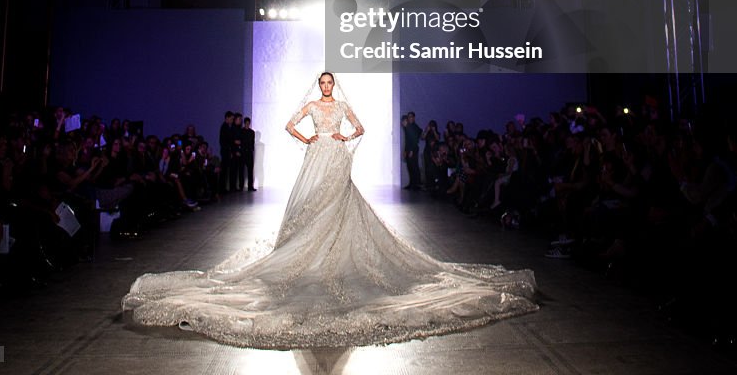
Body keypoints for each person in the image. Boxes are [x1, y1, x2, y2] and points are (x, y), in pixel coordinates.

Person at [122, 72, 537, 348]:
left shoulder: (338, 106)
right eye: (321, 81)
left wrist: (340, 135)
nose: (324, 86)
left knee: (337, 201)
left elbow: (361, 128)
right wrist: (312, 139)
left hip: (334, 152)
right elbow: (289, 124)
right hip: (319, 151)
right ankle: (309, 252)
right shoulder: (313, 108)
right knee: (311, 203)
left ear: (333, 86)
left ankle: (335, 252)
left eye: (328, 82)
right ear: (317, 84)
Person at [403, 111, 422, 189]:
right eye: (408, 117)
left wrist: (411, 151)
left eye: (411, 117)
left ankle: (416, 184)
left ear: (413, 118)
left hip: (413, 149)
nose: (409, 118)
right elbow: (407, 140)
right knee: (410, 167)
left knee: (414, 167)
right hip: (409, 149)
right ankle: (412, 184)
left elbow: (414, 139)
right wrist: (405, 150)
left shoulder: (412, 127)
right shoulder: (408, 127)